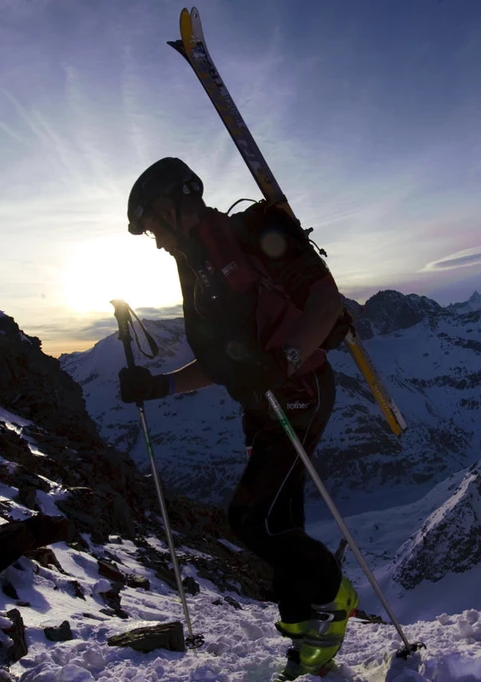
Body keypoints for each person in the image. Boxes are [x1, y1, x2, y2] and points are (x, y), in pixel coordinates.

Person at [119, 157, 358, 678]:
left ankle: (333, 595)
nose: (157, 240)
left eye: (157, 223)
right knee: (282, 521)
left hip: (301, 391)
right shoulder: (195, 271)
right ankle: (306, 639)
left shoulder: (254, 232)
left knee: (252, 520)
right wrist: (159, 386)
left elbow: (324, 299)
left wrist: (285, 360)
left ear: (178, 204)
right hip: (261, 403)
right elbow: (218, 363)